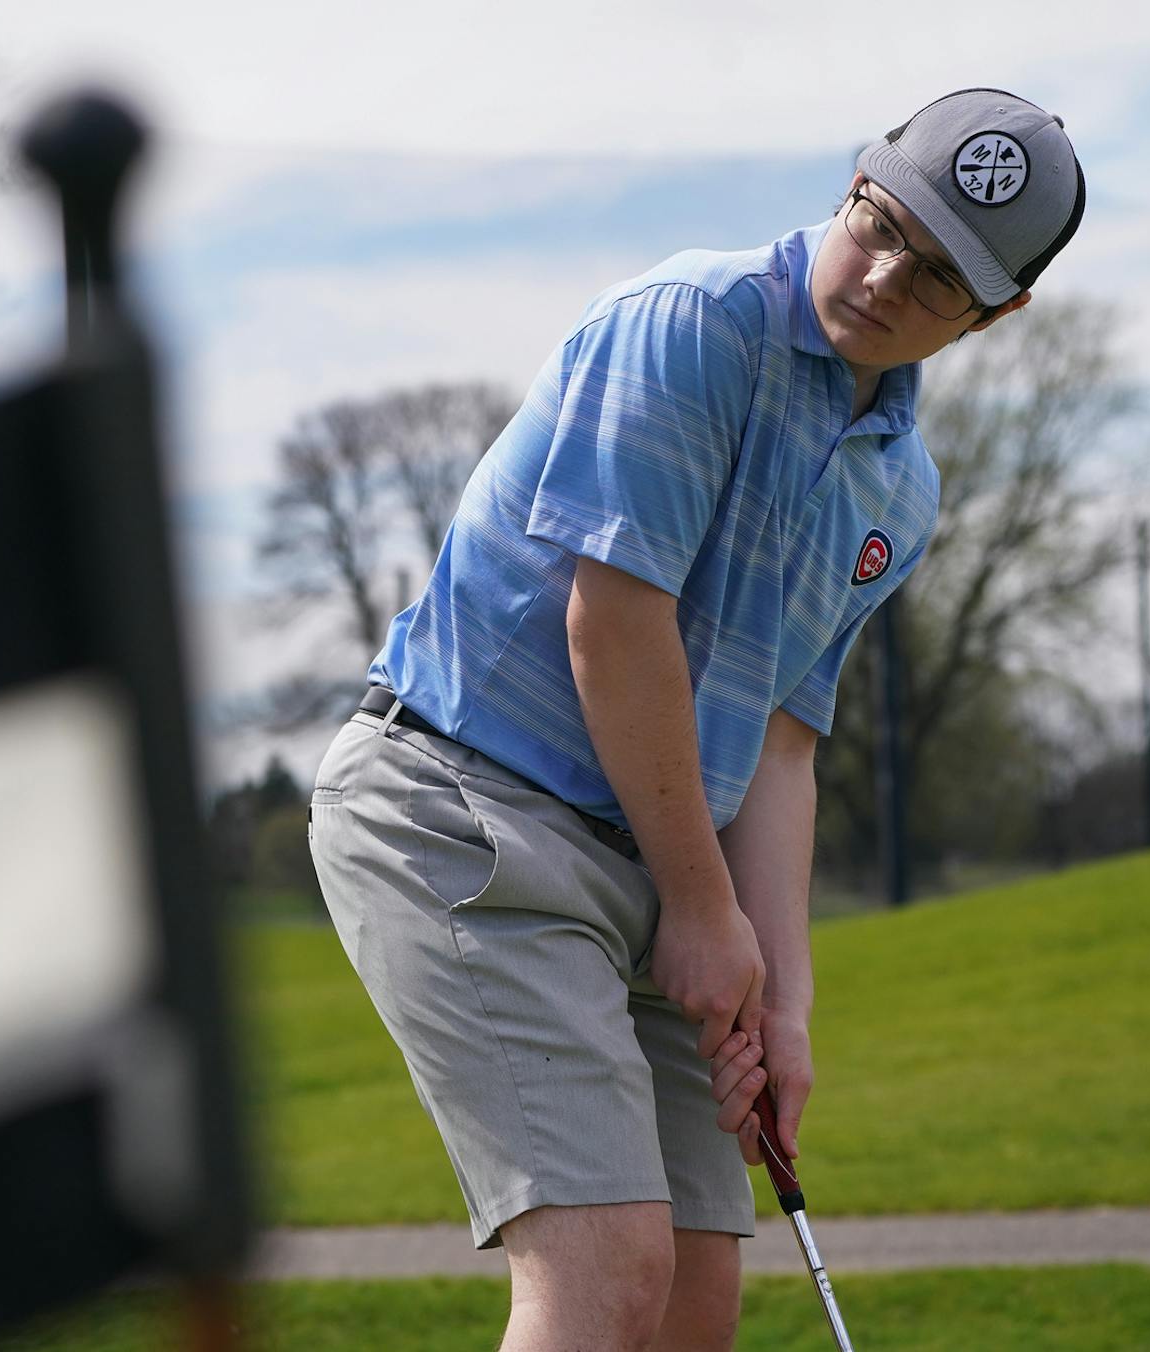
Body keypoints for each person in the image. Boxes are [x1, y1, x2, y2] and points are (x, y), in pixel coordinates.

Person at [307, 88, 1085, 1350]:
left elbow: (783, 743)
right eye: (880, 223)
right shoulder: (692, 326)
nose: (886, 276)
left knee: (688, 1302)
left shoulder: (901, 485)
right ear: (852, 182)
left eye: (939, 277)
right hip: (465, 810)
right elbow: (614, 630)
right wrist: (706, 911)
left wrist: (781, 999)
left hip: (659, 871)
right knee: (607, 1267)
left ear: (1001, 313)